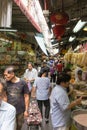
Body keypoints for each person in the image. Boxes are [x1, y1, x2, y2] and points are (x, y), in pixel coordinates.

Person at [4, 66, 29, 130]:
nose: (5, 77)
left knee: (19, 126)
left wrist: (26, 110)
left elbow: (26, 96)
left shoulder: (23, 83)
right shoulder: (5, 83)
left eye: (6, 75)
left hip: (20, 110)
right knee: (10, 126)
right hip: (9, 110)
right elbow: (4, 96)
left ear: (12, 74)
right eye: (4, 75)